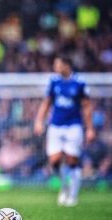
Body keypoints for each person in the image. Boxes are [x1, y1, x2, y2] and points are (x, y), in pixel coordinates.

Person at [34, 55, 95, 207]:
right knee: (54, 161)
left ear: (66, 65)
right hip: (55, 125)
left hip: (74, 125)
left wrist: (90, 128)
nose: (55, 67)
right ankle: (64, 188)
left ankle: (73, 195)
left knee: (71, 161)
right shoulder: (54, 82)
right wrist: (39, 121)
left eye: (57, 64)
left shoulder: (79, 82)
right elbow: (46, 103)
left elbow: (87, 106)